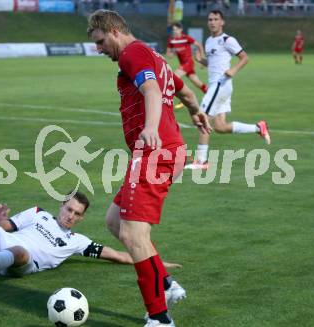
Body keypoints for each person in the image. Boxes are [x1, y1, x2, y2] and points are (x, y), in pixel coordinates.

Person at [87, 9, 210, 327]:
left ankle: (159, 317)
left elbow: (152, 90)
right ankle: (167, 286)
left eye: (100, 41)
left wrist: (151, 127)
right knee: (115, 221)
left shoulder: (132, 53)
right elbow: (183, 90)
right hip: (163, 152)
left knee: (132, 232)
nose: (98, 49)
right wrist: (196, 113)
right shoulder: (152, 56)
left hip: (156, 152)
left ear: (114, 30)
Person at [0, 192, 182, 277]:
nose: (70, 216)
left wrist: (155, 262)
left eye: (77, 214)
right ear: (61, 206)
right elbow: (7, 228)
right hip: (9, 240)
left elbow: (119, 255)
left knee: (19, 253)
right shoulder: (38, 213)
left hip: (23, 260)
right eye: (68, 209)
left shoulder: (78, 242)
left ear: (81, 218)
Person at [188, 10, 271, 170]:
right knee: (219, 126)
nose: (212, 22)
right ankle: (258, 127)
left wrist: (233, 70)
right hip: (216, 86)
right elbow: (213, 63)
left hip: (221, 84)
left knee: (202, 118)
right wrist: (201, 60)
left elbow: (245, 57)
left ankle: (202, 161)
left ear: (222, 22)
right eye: (210, 19)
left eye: (216, 19)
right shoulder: (209, 41)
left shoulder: (227, 40)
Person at [166, 22, 208, 109]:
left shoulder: (186, 38)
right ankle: (210, 95)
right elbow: (169, 55)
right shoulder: (171, 40)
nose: (175, 31)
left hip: (188, 63)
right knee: (198, 83)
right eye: (173, 30)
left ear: (181, 30)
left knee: (174, 77)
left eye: (176, 29)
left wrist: (202, 58)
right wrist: (173, 52)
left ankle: (183, 99)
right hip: (183, 65)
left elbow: (199, 45)